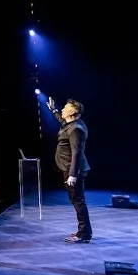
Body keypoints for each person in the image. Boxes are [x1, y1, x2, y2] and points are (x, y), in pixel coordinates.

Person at [47, 96, 91, 243]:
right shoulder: (71, 124)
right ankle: (84, 232)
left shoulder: (76, 129)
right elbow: (61, 119)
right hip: (68, 168)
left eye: (65, 108)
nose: (63, 110)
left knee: (78, 201)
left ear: (73, 112)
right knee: (76, 200)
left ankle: (84, 234)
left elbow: (76, 152)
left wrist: (73, 175)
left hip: (72, 169)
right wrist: (53, 110)